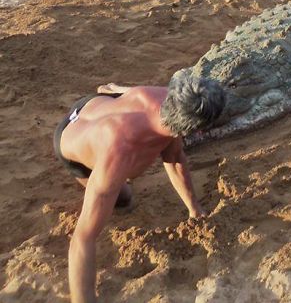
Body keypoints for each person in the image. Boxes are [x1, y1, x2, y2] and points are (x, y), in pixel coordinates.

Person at [54, 71, 226, 303]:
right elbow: (83, 238)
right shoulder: (118, 154)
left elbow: (175, 157)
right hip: (74, 138)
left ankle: (112, 97)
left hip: (99, 105)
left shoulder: (167, 99)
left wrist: (194, 208)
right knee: (123, 199)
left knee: (163, 141)